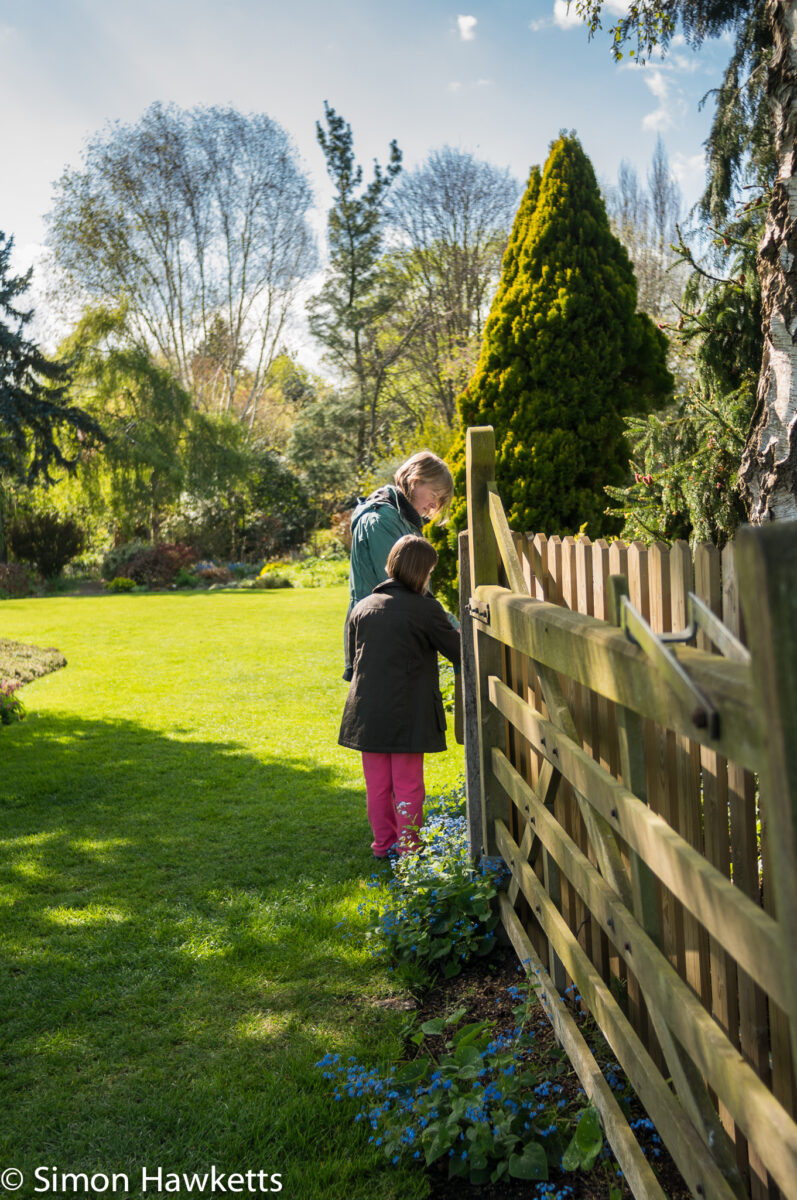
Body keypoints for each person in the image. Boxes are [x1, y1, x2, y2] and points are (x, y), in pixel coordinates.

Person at [339, 535, 461, 857]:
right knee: (408, 785)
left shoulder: (363, 606)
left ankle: (383, 845)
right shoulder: (426, 609)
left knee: (377, 786)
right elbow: (458, 651)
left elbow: (355, 658)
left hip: (366, 712)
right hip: (407, 712)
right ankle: (410, 849)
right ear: (421, 571)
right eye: (430, 571)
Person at [343, 450, 454, 680]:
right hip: (380, 637)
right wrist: (449, 625)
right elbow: (405, 586)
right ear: (415, 481)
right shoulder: (381, 520)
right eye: (434, 494)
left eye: (440, 500)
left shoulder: (404, 521)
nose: (434, 504)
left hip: (395, 633)